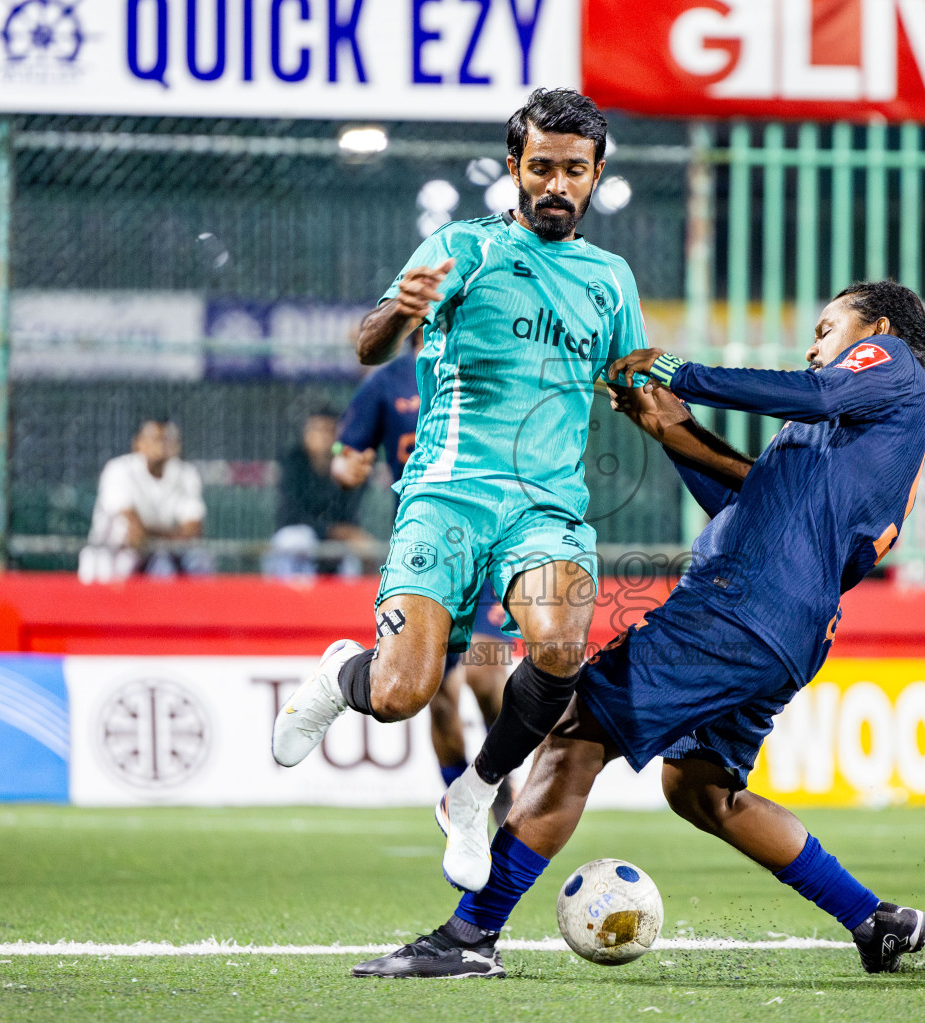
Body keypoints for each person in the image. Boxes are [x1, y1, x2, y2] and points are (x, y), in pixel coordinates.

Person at [351, 280, 925, 979]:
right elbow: (745, 502)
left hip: (738, 610)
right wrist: (667, 425)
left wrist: (676, 371)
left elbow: (811, 392)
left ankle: (470, 935)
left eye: (828, 326)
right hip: (783, 626)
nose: (815, 344)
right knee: (700, 789)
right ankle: (874, 920)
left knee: (574, 735)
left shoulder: (890, 367)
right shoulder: (850, 438)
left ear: (877, 328)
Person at [272, 88, 649, 893]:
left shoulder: (611, 281)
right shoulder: (462, 250)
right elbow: (369, 346)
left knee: (558, 649)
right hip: (446, 497)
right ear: (515, 167)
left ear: (595, 174)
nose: (555, 184)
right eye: (540, 166)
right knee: (405, 693)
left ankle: (474, 793)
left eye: (572, 171)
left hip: (546, 508)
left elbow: (634, 388)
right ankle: (348, 674)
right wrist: (401, 313)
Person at [333, 331, 518, 819]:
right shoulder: (388, 382)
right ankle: (462, 806)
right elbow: (344, 449)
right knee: (436, 695)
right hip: (424, 558)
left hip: (485, 547)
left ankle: (496, 783)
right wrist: (345, 465)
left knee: (484, 674)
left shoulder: (484, 364)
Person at [78, 418, 210, 583]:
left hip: (160, 555)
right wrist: (170, 535)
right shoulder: (118, 470)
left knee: (196, 559)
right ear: (138, 443)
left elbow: (193, 532)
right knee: (134, 559)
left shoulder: (186, 473)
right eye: (155, 439)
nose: (161, 446)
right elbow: (135, 534)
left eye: (167, 440)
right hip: (112, 558)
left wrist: (155, 537)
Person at [265, 407, 369, 580]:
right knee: (294, 540)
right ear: (306, 433)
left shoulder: (349, 463)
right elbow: (292, 514)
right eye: (317, 429)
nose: (323, 437)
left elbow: (349, 519)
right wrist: (331, 530)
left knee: (355, 553)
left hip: (334, 544)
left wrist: (346, 535)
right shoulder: (294, 461)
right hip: (299, 539)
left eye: (330, 430)